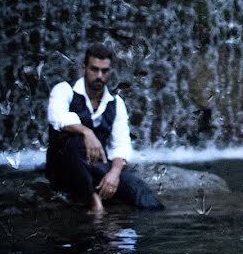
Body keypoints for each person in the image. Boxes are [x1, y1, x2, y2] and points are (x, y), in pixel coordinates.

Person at [46, 44, 164, 214]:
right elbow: (57, 117)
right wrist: (87, 132)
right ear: (84, 68)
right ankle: (95, 203)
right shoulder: (64, 90)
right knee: (73, 140)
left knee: (139, 190)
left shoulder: (116, 103)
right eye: (94, 69)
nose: (99, 76)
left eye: (104, 71)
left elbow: (121, 144)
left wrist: (114, 174)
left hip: (94, 168)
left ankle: (162, 225)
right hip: (63, 169)